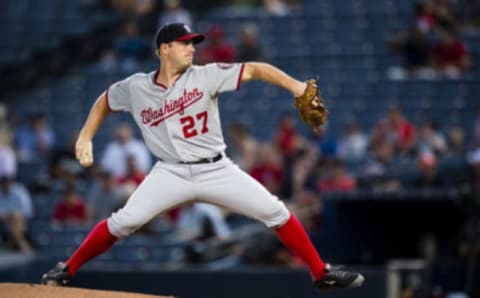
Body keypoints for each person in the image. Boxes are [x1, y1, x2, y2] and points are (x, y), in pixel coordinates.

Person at [40, 22, 364, 289]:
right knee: (124, 222)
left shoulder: (205, 75)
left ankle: (321, 272)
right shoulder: (136, 87)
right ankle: (67, 268)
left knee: (275, 212)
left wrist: (295, 86)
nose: (192, 48)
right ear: (164, 49)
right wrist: (86, 135)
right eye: (184, 43)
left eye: (193, 43)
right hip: (169, 172)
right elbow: (104, 101)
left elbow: (255, 69)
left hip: (216, 169)